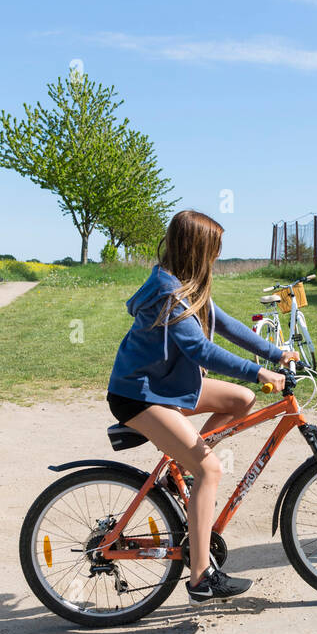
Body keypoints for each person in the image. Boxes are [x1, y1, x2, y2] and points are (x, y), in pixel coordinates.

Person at [106, 210, 299, 604]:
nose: (216, 257)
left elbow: (226, 326)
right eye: (213, 249)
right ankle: (200, 579)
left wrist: (276, 353)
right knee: (210, 468)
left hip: (165, 387)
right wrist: (258, 371)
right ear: (196, 249)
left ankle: (181, 468)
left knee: (241, 400)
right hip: (139, 395)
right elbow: (199, 348)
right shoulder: (168, 292)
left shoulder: (186, 287)